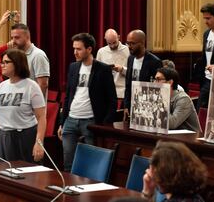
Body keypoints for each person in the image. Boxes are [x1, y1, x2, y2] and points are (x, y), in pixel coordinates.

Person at [57, 33, 117, 171]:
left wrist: (105, 123)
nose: (75, 52)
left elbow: (112, 99)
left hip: (91, 121)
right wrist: (62, 122)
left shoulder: (103, 69)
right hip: (71, 120)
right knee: (68, 164)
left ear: (89, 49)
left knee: (92, 163)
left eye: (79, 49)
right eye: (74, 48)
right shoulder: (73, 67)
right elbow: (68, 96)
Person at [0, 49, 46, 163]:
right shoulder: (2, 86)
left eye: (6, 62)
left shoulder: (31, 86)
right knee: (2, 174)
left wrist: (39, 143)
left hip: (24, 136)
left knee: (26, 176)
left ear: (17, 63)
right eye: (2, 62)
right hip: (4, 137)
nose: (2, 65)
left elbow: (41, 117)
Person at [142, 141, 207, 202]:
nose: (151, 174)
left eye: (154, 170)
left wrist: (147, 192)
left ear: (165, 174)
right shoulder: (197, 198)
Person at [124, 29, 162, 121]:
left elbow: (157, 88)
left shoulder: (154, 62)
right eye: (127, 43)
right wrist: (126, 105)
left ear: (142, 43)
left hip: (146, 107)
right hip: (131, 105)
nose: (129, 46)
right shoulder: (130, 59)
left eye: (132, 43)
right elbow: (128, 85)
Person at [154, 67, 200, 132]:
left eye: (158, 80)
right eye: (154, 79)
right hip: (169, 135)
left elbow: (172, 123)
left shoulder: (183, 99)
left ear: (170, 82)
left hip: (189, 138)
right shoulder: (158, 96)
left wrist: (162, 102)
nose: (154, 83)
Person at [11, 23, 50, 98]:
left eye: (17, 37)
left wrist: (36, 105)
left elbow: (43, 84)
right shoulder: (17, 55)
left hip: (32, 106)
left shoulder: (38, 55)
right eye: (12, 38)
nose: (13, 41)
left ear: (27, 37)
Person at [96, 29, 130, 99]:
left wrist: (122, 69)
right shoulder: (101, 52)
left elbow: (134, 73)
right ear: (105, 39)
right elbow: (97, 73)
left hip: (123, 92)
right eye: (109, 43)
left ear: (119, 37)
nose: (112, 46)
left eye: (114, 42)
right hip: (106, 92)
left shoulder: (128, 50)